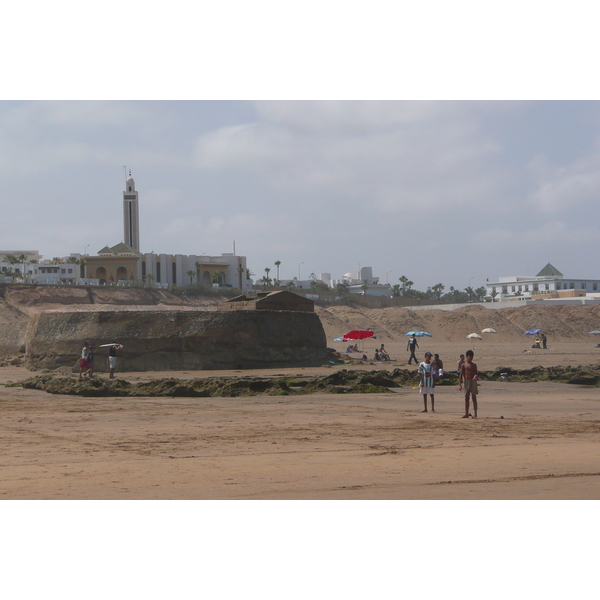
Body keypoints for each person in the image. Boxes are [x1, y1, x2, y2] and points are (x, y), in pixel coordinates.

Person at [459, 349, 478, 418]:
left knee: (474, 398)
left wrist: (475, 376)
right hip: (466, 382)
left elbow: (476, 373)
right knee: (466, 398)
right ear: (467, 356)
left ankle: (475, 414)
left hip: (473, 382)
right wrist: (460, 384)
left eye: (472, 357)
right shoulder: (463, 365)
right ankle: (466, 413)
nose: (471, 358)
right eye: (470, 356)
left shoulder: (474, 365)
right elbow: (461, 375)